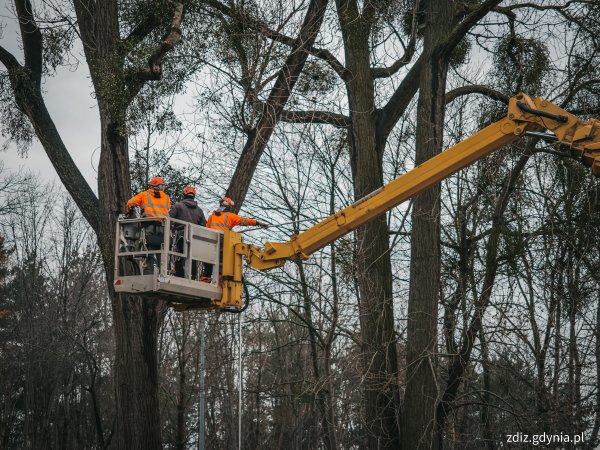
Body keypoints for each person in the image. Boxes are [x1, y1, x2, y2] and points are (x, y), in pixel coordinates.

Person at [201, 196, 268, 282]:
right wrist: (258, 223)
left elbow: (207, 228)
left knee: (209, 260)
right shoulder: (230, 216)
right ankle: (220, 277)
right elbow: (244, 221)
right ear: (229, 207)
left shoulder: (212, 216)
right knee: (222, 259)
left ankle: (205, 277)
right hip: (222, 241)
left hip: (211, 241)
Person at [125, 176, 171, 274]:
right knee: (161, 252)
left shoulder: (144, 195)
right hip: (163, 229)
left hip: (149, 227)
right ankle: (162, 273)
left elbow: (130, 203)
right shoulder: (167, 198)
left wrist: (130, 212)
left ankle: (148, 272)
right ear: (161, 186)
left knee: (149, 251)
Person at [169, 186, 206, 278]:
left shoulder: (178, 205)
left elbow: (169, 220)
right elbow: (203, 225)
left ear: (184, 194)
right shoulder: (199, 210)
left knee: (178, 255)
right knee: (192, 257)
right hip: (194, 237)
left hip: (180, 235)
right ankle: (192, 277)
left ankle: (179, 275)